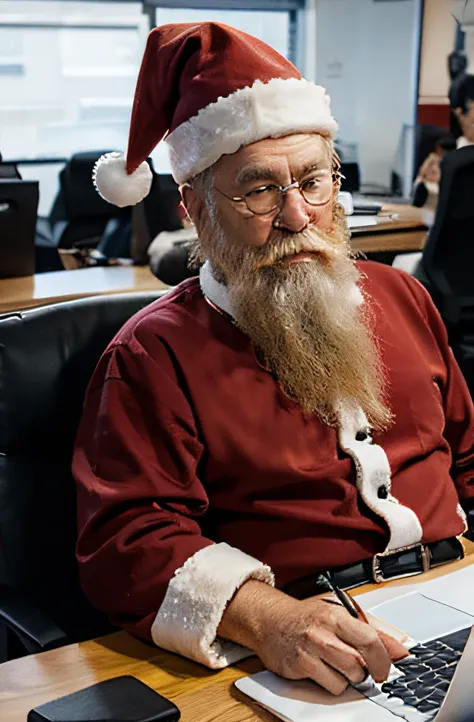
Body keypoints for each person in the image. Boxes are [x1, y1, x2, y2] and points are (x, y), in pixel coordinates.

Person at [74, 23, 474, 696]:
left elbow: (468, 455)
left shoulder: (403, 297)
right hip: (307, 645)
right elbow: (127, 543)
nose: (298, 215)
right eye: (258, 190)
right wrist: (269, 620)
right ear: (195, 209)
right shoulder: (154, 351)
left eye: (315, 182)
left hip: (456, 600)